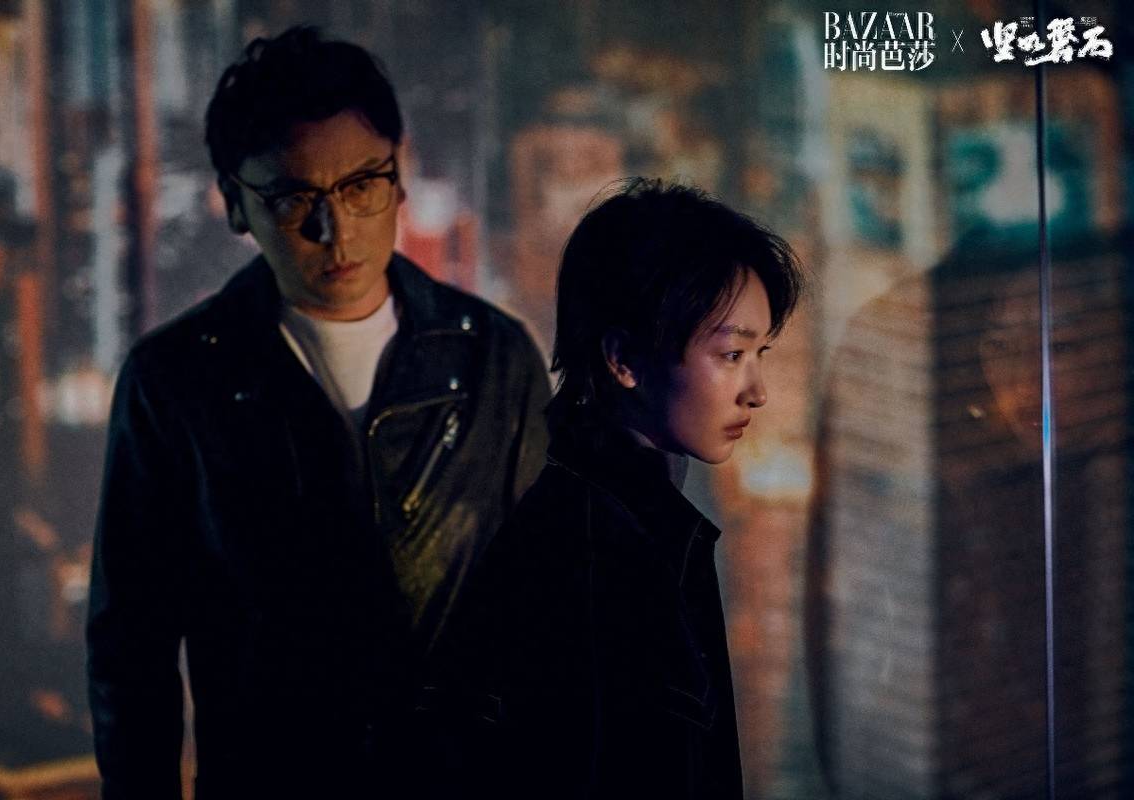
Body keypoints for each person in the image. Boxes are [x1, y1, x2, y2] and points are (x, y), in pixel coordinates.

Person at [86, 26, 550, 799]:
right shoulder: (175, 382)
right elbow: (133, 650)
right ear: (235, 202)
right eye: (295, 198)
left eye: (363, 184)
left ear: (400, 173)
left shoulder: (492, 358)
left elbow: (554, 614)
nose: (335, 230)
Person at [426, 178, 803, 798]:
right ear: (623, 359)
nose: (757, 391)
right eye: (732, 355)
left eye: (761, 352)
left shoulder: (632, 524)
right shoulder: (593, 557)